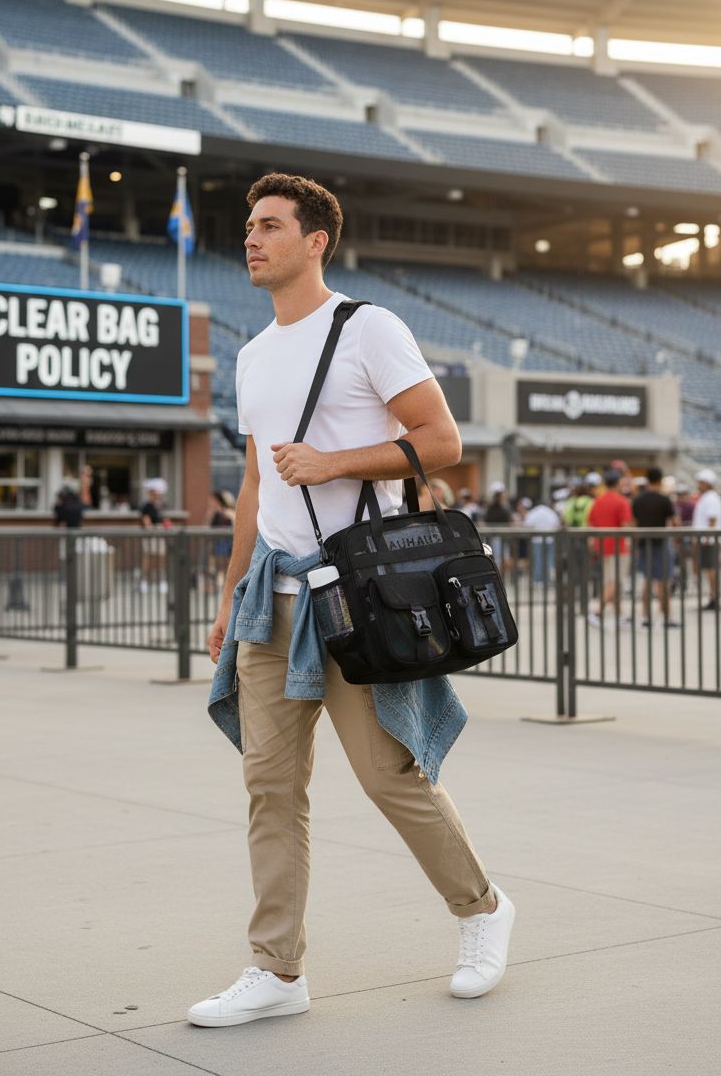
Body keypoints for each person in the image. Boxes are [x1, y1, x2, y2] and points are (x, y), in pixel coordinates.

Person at [194, 172, 514, 1029]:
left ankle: (482, 911)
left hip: (358, 597)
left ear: (314, 240)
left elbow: (442, 443)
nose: (252, 239)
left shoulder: (368, 327)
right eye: (249, 227)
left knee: (388, 776)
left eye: (269, 226)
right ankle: (277, 969)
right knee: (269, 784)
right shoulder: (253, 354)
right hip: (276, 595)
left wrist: (333, 463)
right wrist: (228, 598)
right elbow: (257, 481)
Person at [631, 467, 678, 627]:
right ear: (660, 479)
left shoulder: (638, 499)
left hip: (644, 543)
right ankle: (666, 617)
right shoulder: (664, 499)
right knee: (664, 581)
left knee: (647, 580)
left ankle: (645, 616)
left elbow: (634, 523)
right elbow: (675, 521)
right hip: (661, 542)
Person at [587, 468, 633, 626]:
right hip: (618, 547)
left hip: (603, 547)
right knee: (615, 582)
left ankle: (620, 615)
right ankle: (597, 611)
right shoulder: (622, 501)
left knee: (613, 583)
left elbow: (591, 523)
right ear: (619, 482)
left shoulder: (598, 500)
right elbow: (626, 526)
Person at [692, 469, 721, 610]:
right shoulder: (707, 497)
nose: (698, 485)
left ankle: (715, 598)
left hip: (708, 541)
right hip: (706, 539)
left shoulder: (711, 498)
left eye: (701, 483)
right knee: (709, 570)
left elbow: (712, 520)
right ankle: (713, 597)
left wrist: (705, 539)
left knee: (711, 569)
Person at [522, 497, 561, 584]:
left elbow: (527, 524)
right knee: (548, 560)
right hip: (550, 540)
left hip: (537, 540)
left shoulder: (534, 512)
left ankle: (537, 579)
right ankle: (547, 579)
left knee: (538, 560)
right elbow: (556, 524)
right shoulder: (550, 512)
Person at [140, 477, 169, 593]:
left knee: (161, 557)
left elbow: (162, 519)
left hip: (160, 532)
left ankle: (160, 580)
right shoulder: (146, 506)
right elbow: (147, 521)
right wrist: (152, 529)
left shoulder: (160, 505)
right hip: (151, 533)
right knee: (148, 556)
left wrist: (165, 525)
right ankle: (145, 581)